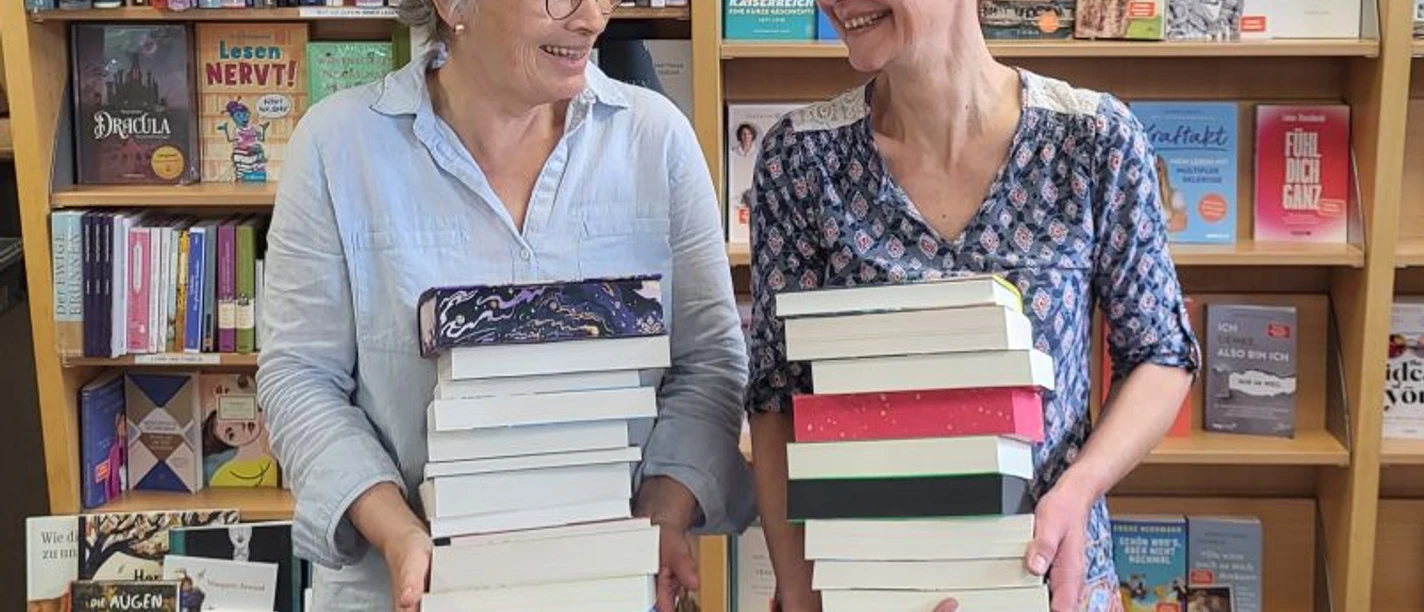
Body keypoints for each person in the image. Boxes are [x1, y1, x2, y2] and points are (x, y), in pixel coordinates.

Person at [254, 0, 755, 609]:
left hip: (614, 587)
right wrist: (399, 531)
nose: (593, 18)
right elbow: (300, 379)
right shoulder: (338, 147)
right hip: (405, 594)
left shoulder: (657, 139)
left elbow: (708, 363)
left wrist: (663, 512)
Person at [742, 2, 1200, 612]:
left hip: (1045, 576)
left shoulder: (1094, 138)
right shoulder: (800, 158)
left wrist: (1081, 487)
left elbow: (1162, 354)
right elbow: (775, 394)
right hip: (867, 582)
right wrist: (799, 585)